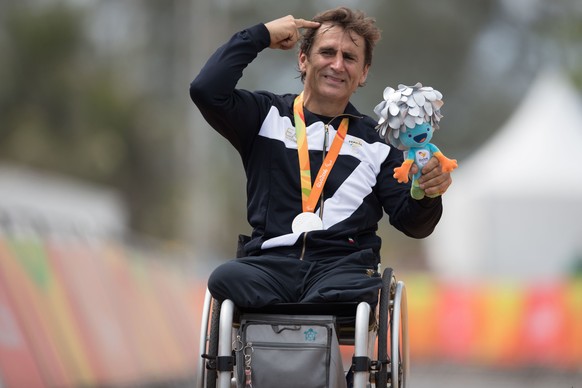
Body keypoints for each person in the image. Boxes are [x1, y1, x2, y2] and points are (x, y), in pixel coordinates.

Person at [190, 7, 452, 310]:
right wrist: (259, 36)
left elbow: (414, 225)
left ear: (364, 72)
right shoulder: (266, 115)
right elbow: (206, 90)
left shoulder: (380, 141)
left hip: (342, 270)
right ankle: (300, 325)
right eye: (327, 52)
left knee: (355, 290)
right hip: (270, 267)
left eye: (350, 57)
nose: (337, 65)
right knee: (226, 277)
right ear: (304, 59)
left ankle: (297, 325)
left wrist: (426, 192)